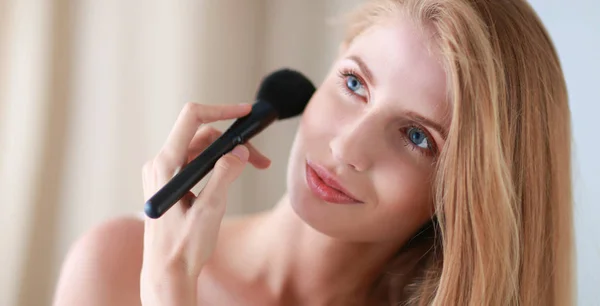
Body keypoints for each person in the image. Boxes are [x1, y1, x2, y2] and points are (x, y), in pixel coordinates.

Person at [52, 0, 574, 305]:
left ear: (467, 196)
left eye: (417, 136)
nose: (347, 146)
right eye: (353, 83)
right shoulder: (116, 266)